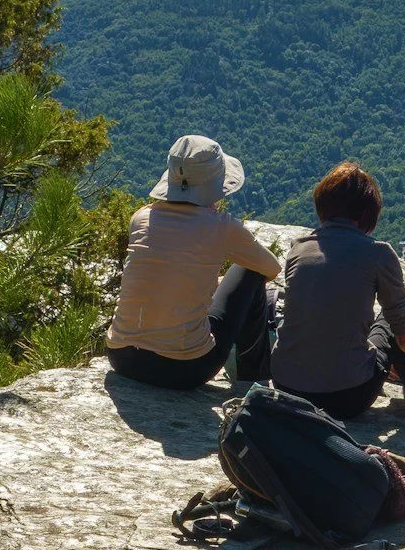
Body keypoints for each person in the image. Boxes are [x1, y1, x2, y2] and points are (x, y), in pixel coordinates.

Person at [106, 135, 280, 391]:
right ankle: (253, 382)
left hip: (121, 358)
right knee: (249, 270)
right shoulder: (221, 226)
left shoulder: (141, 217)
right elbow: (271, 268)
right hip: (183, 369)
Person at [269, 163, 405, 420]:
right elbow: (404, 334)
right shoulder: (378, 253)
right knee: (399, 317)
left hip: (287, 387)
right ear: (367, 213)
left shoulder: (298, 249)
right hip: (345, 397)